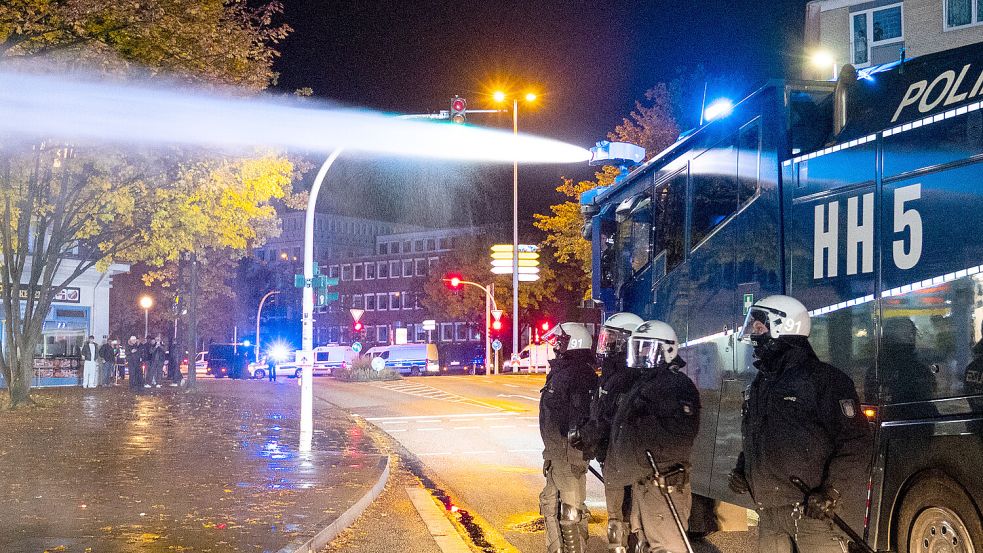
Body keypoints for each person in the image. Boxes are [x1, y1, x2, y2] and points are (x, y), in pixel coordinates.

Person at [729, 295, 872, 553]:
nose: (754, 335)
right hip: (771, 515)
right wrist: (744, 469)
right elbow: (758, 435)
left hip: (814, 517)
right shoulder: (761, 384)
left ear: (784, 327)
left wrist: (831, 492)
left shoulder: (824, 379)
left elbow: (857, 442)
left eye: (760, 328)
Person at [604, 320, 700, 553]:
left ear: (667, 350)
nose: (642, 355)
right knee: (645, 544)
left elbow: (677, 436)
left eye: (648, 348)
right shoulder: (645, 384)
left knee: (667, 547)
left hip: (663, 482)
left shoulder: (676, 386)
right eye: (639, 348)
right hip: (644, 481)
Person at [571, 312, 643, 553]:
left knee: (634, 519)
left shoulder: (634, 377)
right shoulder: (610, 376)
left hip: (629, 460)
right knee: (615, 517)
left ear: (627, 340)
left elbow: (621, 420)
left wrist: (595, 431)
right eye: (607, 337)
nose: (607, 343)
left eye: (612, 338)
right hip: (610, 456)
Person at [539, 322, 598, 553]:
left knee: (571, 511)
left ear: (573, 342)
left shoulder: (579, 375)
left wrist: (574, 450)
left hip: (568, 453)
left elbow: (583, 417)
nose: (556, 345)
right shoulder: (565, 372)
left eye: (561, 341)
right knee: (550, 504)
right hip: (557, 453)